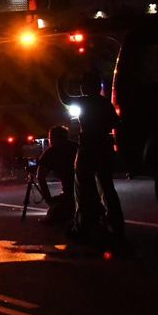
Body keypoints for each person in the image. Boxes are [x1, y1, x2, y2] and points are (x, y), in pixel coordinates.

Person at [59, 70, 124, 243]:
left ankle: (82, 225)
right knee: (107, 187)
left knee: (82, 187)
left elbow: (65, 98)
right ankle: (116, 225)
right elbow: (116, 123)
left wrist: (60, 81)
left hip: (87, 147)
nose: (80, 87)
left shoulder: (85, 101)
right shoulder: (104, 103)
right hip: (104, 146)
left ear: (88, 86)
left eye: (83, 84)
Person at [35, 125, 76, 224]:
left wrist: (49, 200)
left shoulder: (51, 152)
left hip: (71, 194)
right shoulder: (76, 146)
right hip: (88, 192)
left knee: (55, 215)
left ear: (52, 138)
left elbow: (40, 177)